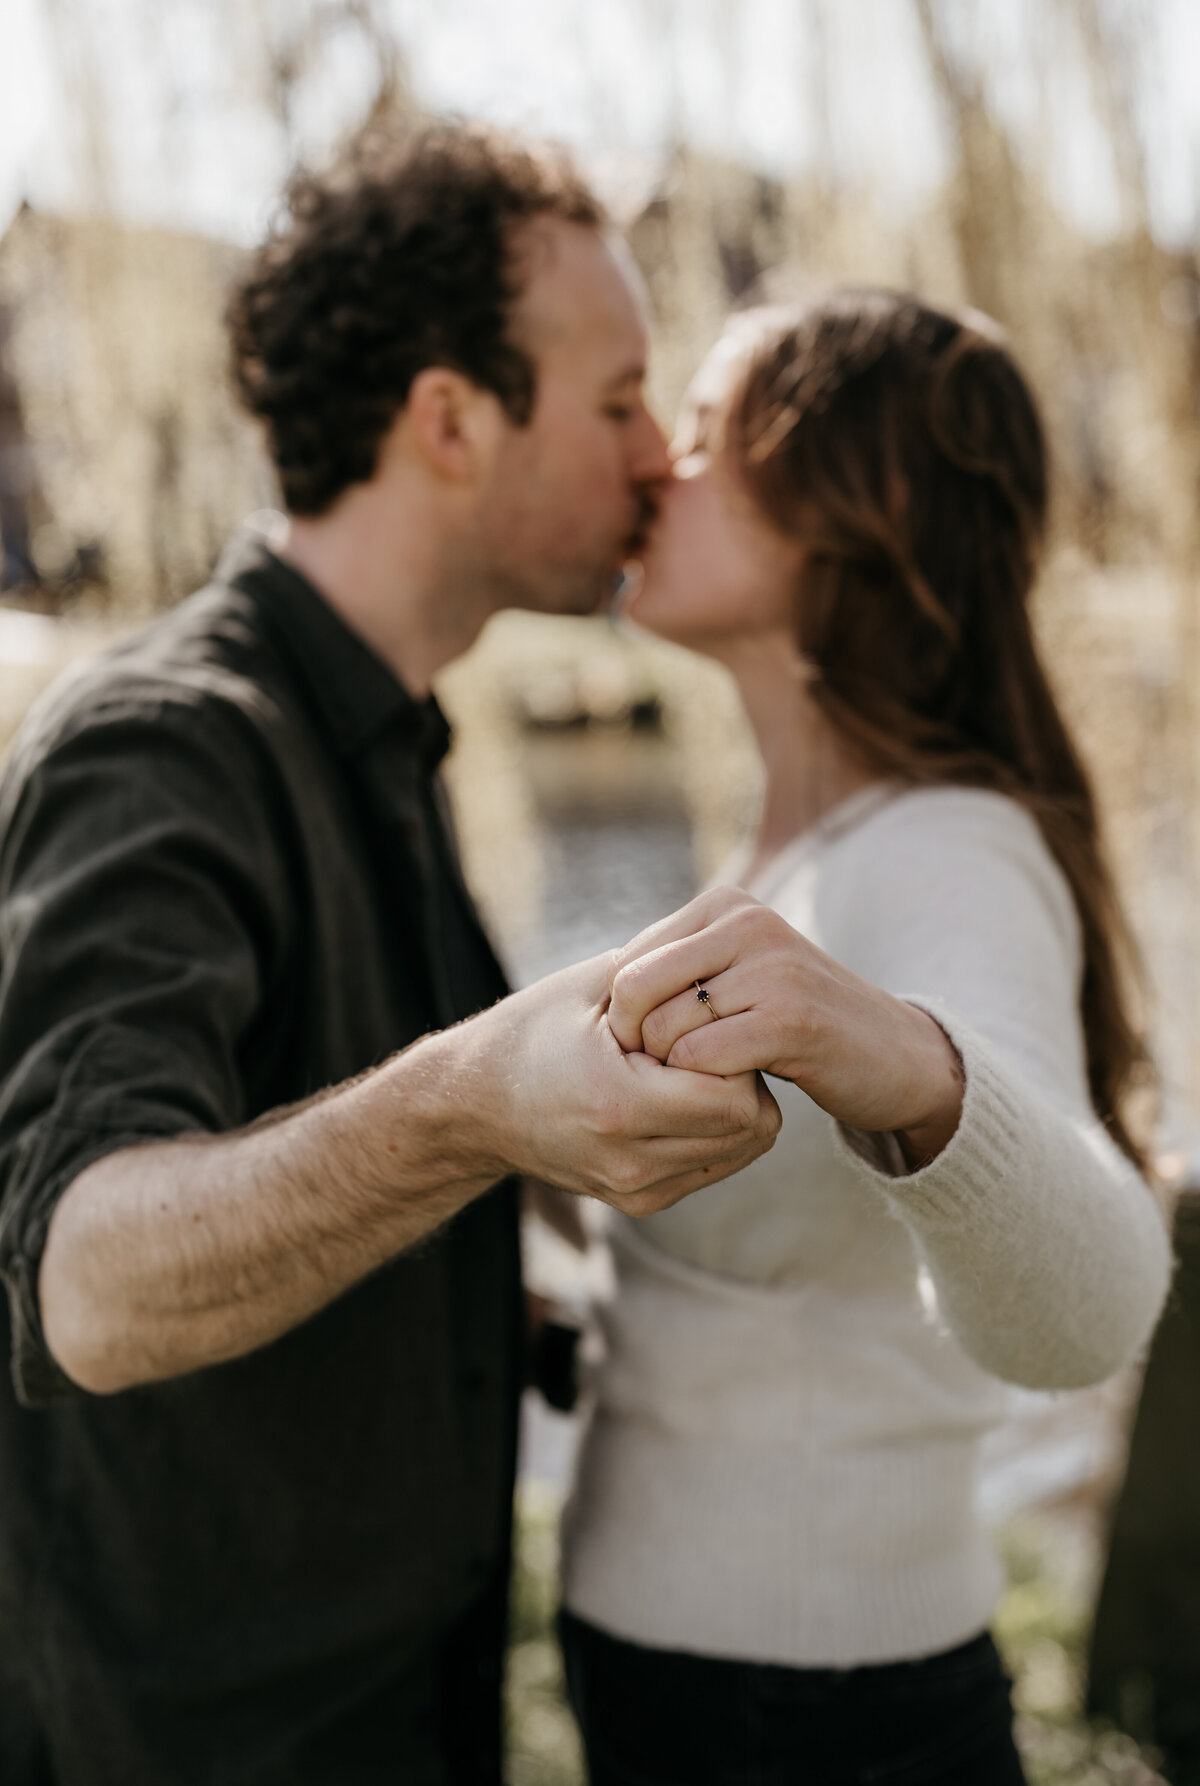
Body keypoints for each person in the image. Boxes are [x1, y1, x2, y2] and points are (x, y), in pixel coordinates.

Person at [0, 126, 781, 1786]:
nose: (660, 455)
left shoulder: (389, 743)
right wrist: (476, 1106)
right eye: (618, 395)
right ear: (449, 419)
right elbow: (85, 1276)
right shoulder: (164, 745)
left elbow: (330, 1165)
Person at [558, 291, 1174, 1785]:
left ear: (864, 502)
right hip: (704, 1688)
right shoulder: (804, 851)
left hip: (815, 1716)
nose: (657, 468)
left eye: (705, 437)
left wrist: (911, 1070)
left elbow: (1093, 1301)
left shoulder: (945, 848)